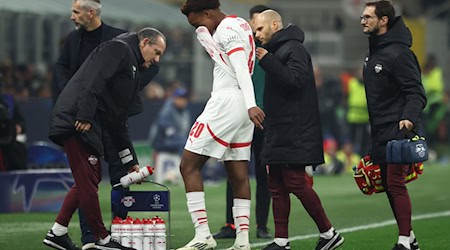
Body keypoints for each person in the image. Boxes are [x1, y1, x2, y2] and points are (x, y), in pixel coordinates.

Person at [43, 27, 167, 250]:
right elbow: (93, 79)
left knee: (88, 180)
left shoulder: (130, 64)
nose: (157, 59)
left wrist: (130, 161)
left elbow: (118, 120)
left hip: (86, 121)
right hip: (78, 121)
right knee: (89, 181)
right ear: (144, 42)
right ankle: (101, 238)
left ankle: (58, 232)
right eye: (156, 52)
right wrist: (84, 115)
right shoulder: (119, 48)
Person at [178, 0, 265, 249]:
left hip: (227, 103)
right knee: (237, 172)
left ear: (207, 12)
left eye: (198, 21)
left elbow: (240, 69)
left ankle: (203, 234)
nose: (200, 27)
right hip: (240, 107)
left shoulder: (226, 30)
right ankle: (242, 241)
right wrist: (247, 106)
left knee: (188, 165)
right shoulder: (240, 23)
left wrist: (251, 104)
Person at [254, 10, 344, 250]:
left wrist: (268, 61)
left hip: (295, 130)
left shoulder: (294, 49)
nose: (257, 34)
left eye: (260, 29)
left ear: (275, 25)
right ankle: (281, 241)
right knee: (276, 185)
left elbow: (295, 80)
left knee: (296, 182)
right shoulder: (277, 51)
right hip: (279, 129)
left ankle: (329, 233)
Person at [360, 1, 427, 249]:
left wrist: (408, 119)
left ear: (384, 20)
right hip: (379, 129)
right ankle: (409, 237)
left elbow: (416, 93)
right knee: (388, 184)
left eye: (368, 17)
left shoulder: (400, 54)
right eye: (362, 16)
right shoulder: (374, 53)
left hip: (399, 128)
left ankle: (403, 242)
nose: (363, 20)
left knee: (395, 182)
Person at [213, 4, 272, 240]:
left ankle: (261, 225)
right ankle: (231, 224)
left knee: (264, 173)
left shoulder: (273, 52)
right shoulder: (238, 47)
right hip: (240, 116)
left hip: (265, 119)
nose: (257, 31)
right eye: (254, 24)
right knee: (235, 170)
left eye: (261, 25)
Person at [150, 87, 191, 184]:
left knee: (189, 144)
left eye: (184, 98)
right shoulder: (167, 111)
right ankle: (178, 173)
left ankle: (179, 172)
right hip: (162, 142)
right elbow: (169, 133)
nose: (183, 101)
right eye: (180, 98)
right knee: (184, 144)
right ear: (174, 98)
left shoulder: (184, 112)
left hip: (174, 141)